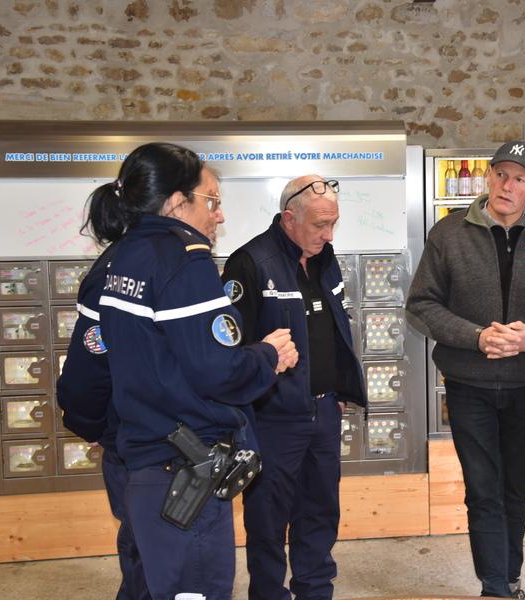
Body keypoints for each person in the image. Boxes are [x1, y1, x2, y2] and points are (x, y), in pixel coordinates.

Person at [82, 142, 297, 600]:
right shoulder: (183, 257)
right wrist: (267, 356)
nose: (219, 215)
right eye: (212, 201)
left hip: (145, 457)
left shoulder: (123, 256)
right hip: (184, 468)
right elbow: (218, 370)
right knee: (195, 587)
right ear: (178, 201)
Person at [406, 141, 525, 599]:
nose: (507, 185)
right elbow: (422, 305)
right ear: (488, 177)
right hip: (469, 387)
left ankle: (511, 577)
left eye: (519, 178)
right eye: (500, 174)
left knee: (513, 490)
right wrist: (477, 337)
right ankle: (495, 588)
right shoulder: (449, 233)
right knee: (483, 490)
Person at [221, 175, 366, 600]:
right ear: (289, 218)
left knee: (320, 512)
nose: (329, 234)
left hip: (323, 412)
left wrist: (339, 391)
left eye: (333, 223)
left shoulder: (325, 258)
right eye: (320, 224)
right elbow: (231, 348)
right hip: (272, 418)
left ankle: (315, 592)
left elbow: (335, 328)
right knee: (267, 520)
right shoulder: (250, 263)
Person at [57, 240, 153, 600]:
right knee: (147, 550)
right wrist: (96, 426)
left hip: (150, 441)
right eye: (210, 209)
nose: (218, 216)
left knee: (148, 548)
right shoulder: (120, 271)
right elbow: (85, 375)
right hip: (137, 444)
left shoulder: (153, 260)